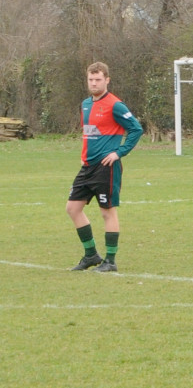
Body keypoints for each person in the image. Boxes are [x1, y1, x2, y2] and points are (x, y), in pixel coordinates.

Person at [67, 62, 143, 272]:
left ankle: (110, 260)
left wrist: (119, 152)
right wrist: (83, 156)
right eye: (91, 79)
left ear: (107, 80)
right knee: (73, 208)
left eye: (98, 79)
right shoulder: (85, 104)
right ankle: (91, 255)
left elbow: (136, 129)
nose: (94, 83)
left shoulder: (115, 105)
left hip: (106, 167)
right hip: (87, 167)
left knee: (107, 211)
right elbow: (90, 134)